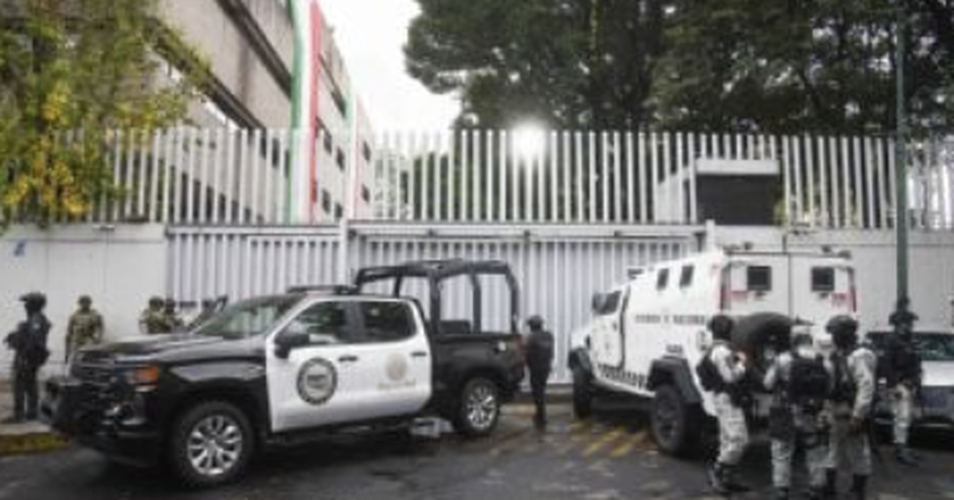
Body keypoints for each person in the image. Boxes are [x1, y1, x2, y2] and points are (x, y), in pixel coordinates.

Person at [764, 332, 831, 500]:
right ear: (810, 342)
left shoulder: (782, 359)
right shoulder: (823, 360)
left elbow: (767, 384)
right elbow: (830, 388)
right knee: (815, 450)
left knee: (782, 450)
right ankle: (816, 488)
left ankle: (782, 490)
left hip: (784, 409)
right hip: (813, 411)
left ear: (793, 343)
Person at [824, 315, 876, 500]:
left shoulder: (860, 355)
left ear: (845, 333)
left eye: (835, 333)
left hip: (851, 410)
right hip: (836, 409)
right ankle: (829, 488)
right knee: (833, 450)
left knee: (858, 451)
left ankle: (857, 491)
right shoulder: (838, 354)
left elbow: (866, 386)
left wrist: (858, 416)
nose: (833, 337)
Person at [703, 314, 751, 495]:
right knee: (740, 440)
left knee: (727, 440)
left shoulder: (716, 348)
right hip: (728, 398)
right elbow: (730, 377)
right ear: (727, 330)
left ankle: (727, 478)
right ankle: (716, 472)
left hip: (723, 397)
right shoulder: (722, 351)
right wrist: (743, 363)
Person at [3, 292, 51, 423]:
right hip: (30, 357)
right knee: (31, 385)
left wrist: (24, 356)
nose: (25, 306)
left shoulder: (36, 319)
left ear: (34, 304)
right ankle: (32, 413)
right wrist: (15, 335)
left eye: (27, 303)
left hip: (27, 357)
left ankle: (19, 415)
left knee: (19, 385)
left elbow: (34, 339)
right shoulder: (36, 319)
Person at [885, 299, 922, 466]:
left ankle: (903, 447)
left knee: (907, 418)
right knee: (901, 417)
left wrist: (916, 382)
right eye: (907, 322)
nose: (910, 325)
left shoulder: (909, 340)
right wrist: (894, 386)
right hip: (900, 384)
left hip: (910, 383)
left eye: (910, 323)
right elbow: (887, 365)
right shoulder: (892, 341)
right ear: (899, 324)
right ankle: (900, 450)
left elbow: (915, 363)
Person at [524, 315, 554, 430]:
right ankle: (540, 414)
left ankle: (541, 416)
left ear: (533, 325)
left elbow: (526, 352)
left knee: (537, 393)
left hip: (536, 369)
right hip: (546, 368)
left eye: (530, 325)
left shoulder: (531, 337)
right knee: (541, 391)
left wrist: (527, 364)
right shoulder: (549, 335)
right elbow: (551, 353)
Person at [65, 295, 105, 361]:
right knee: (75, 356)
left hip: (89, 339)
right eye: (82, 302)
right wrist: (67, 352)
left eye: (86, 302)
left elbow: (100, 328)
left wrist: (98, 339)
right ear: (80, 304)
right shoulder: (75, 315)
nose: (84, 304)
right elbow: (69, 332)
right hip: (77, 340)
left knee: (89, 355)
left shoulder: (95, 315)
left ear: (90, 303)